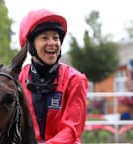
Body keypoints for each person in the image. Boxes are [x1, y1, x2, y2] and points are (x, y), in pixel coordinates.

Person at [18, 8, 89, 144]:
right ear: (31, 45)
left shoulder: (75, 79)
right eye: (44, 38)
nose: (52, 43)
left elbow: (71, 129)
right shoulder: (17, 80)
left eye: (55, 38)